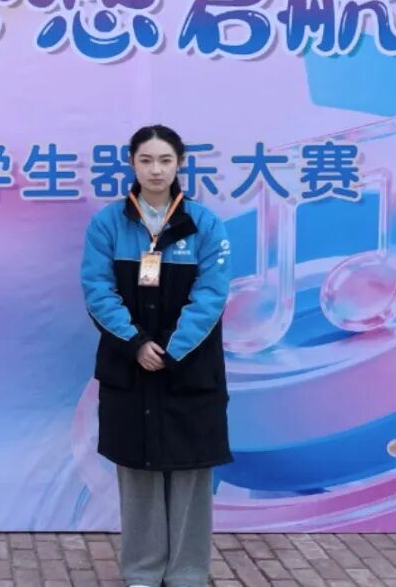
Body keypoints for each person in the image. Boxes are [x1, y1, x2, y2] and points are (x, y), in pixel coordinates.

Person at [79, 124, 233, 587]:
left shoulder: (205, 224)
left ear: (180, 163)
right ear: (132, 163)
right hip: (130, 366)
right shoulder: (108, 224)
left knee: (190, 473)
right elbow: (97, 289)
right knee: (138, 471)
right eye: (146, 160)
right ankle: (143, 571)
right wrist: (137, 344)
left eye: (165, 160)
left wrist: (173, 349)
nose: (156, 170)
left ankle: (187, 572)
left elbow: (212, 293)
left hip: (190, 368)